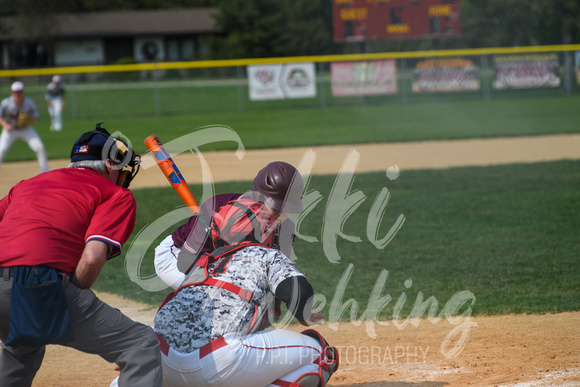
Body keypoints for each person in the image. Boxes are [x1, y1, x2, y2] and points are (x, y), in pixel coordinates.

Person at [0, 123, 162, 387]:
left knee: (23, 347)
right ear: (110, 165)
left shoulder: (28, 184)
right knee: (140, 345)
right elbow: (91, 259)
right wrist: (67, 297)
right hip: (37, 283)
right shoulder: (115, 194)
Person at [154, 198, 339, 387]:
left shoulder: (202, 263)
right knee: (323, 353)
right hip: (216, 365)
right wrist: (304, 313)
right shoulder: (266, 254)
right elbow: (297, 291)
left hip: (159, 362)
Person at [154, 161, 304, 290]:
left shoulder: (284, 231)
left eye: (287, 208)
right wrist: (214, 236)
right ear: (259, 197)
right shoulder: (217, 210)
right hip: (176, 256)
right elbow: (185, 263)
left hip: (218, 265)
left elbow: (278, 274)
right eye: (276, 207)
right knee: (217, 295)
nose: (281, 213)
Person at [0, 81, 49, 173]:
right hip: (10, 130)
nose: (17, 94)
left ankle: (45, 172)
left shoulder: (29, 103)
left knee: (40, 147)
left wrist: (28, 120)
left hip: (25, 129)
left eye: (19, 91)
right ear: (11, 92)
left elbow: (36, 118)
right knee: (1, 149)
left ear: (23, 92)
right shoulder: (6, 103)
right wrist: (6, 125)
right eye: (15, 92)